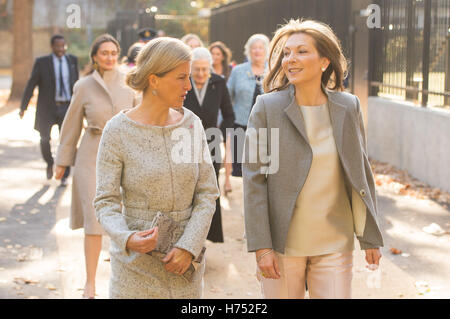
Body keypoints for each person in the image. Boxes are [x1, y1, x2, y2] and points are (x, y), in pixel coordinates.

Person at [243, 19, 384, 299]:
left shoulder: (349, 106)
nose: (291, 59)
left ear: (324, 61)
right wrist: (262, 247)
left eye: (301, 51)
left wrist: (370, 236)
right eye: (286, 53)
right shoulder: (267, 108)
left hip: (334, 242)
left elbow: (360, 173)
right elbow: (254, 180)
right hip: (282, 246)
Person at [94, 37, 219, 299]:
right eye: (181, 78)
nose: (189, 85)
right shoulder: (117, 131)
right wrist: (127, 238)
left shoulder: (191, 124)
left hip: (184, 268)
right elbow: (105, 201)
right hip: (134, 268)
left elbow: (207, 193)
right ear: (154, 80)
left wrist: (188, 247)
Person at [54, 34, 137, 299]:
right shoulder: (84, 85)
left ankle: (122, 281)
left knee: (123, 221)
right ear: (95, 57)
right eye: (104, 53)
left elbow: (141, 123)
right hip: (90, 156)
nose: (110, 57)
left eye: (114, 52)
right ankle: (90, 283)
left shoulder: (130, 83)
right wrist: (62, 162)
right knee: (94, 220)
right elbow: (71, 125)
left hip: (125, 158)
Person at [183, 47, 235, 243]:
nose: (201, 74)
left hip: (210, 144)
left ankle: (205, 238)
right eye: (196, 69)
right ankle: (187, 240)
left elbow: (229, 115)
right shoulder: (183, 81)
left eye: (205, 69)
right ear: (190, 68)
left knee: (209, 192)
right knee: (186, 192)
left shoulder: (218, 82)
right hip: (184, 144)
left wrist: (219, 134)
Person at [19, 34, 79, 185]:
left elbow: (77, 86)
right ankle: (50, 162)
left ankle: (64, 173)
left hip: (67, 107)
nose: (61, 49)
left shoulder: (72, 61)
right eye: (58, 46)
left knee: (66, 141)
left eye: (63, 46)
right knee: (44, 139)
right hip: (47, 108)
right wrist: (23, 107)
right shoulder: (42, 62)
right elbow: (31, 84)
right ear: (52, 47)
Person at [227, 33, 270, 178]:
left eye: (260, 47)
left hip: (267, 126)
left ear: (266, 50)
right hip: (240, 125)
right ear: (248, 51)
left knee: (265, 168)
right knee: (240, 170)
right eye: (253, 48)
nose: (257, 51)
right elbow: (227, 97)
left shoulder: (273, 70)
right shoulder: (238, 70)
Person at [209, 41, 234, 194]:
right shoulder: (206, 70)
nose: (215, 57)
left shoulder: (230, 70)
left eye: (218, 54)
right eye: (213, 53)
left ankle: (228, 180)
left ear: (223, 56)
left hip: (226, 109)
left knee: (228, 147)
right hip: (213, 111)